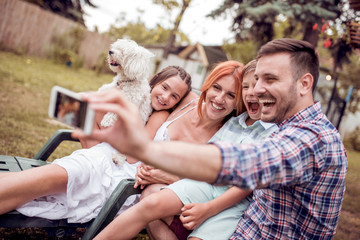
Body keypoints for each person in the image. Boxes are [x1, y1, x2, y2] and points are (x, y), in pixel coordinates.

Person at [75, 38, 348, 239]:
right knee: (150, 204)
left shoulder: (314, 138)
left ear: (304, 84)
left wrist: (145, 149)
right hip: (246, 225)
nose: (257, 90)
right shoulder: (279, 123)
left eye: (271, 80)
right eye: (255, 82)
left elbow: (246, 164)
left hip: (244, 223)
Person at [93, 60, 278, 240]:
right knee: (150, 200)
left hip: (231, 200)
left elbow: (245, 184)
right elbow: (205, 162)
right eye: (246, 88)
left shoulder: (271, 131)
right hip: (205, 185)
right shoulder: (234, 122)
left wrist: (208, 208)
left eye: (231, 95)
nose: (252, 94)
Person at [0, 65, 192, 224]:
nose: (166, 97)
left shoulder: (161, 115)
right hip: (100, 156)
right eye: (165, 88)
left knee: (35, 184)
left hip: (114, 169)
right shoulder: (138, 101)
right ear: (156, 80)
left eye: (175, 96)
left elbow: (133, 154)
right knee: (31, 187)